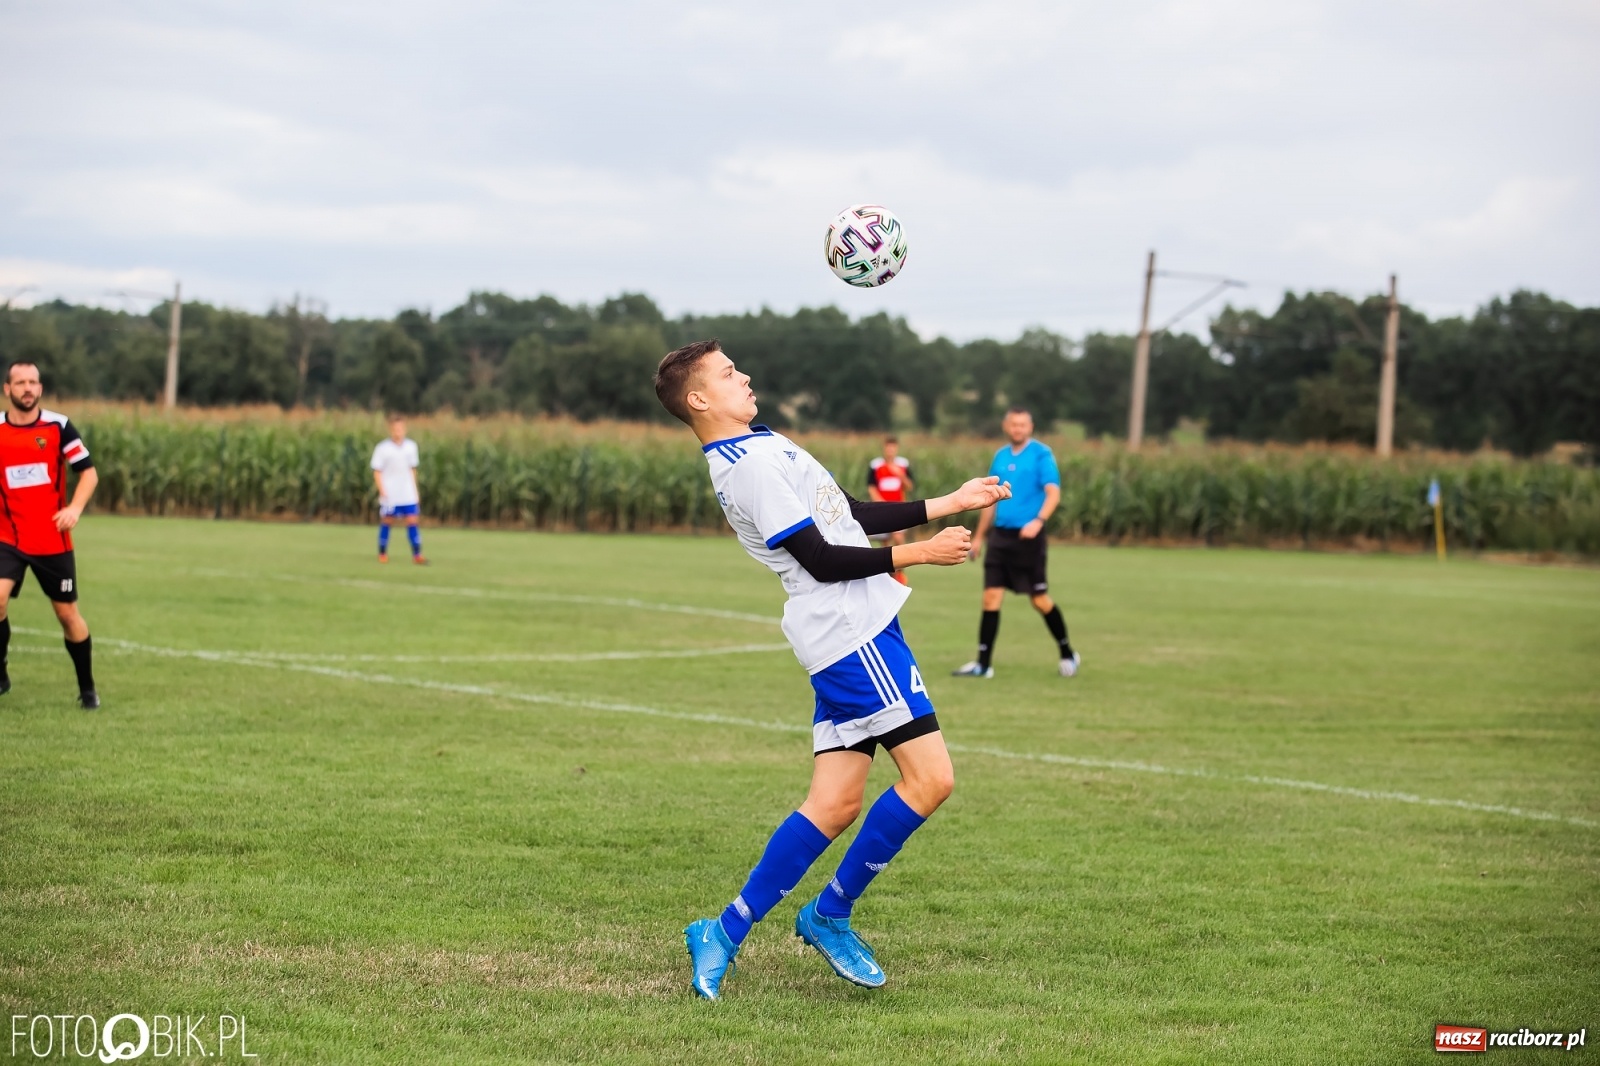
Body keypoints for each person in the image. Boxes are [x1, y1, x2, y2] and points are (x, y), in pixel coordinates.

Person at [655, 339, 1009, 1000]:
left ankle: (722, 930)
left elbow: (845, 514)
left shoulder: (761, 443)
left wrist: (946, 502)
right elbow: (820, 558)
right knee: (931, 780)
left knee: (836, 801)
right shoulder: (745, 467)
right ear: (699, 399)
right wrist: (919, 556)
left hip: (854, 630)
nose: (746, 376)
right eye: (730, 374)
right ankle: (829, 914)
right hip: (853, 633)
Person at [0, 362, 101, 709]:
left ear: (40, 389)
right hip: (7, 536)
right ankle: (0, 674)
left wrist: (74, 508)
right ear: (7, 389)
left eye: (33, 382)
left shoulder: (58, 427)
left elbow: (88, 473)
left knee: (67, 615)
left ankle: (87, 689)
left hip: (51, 539)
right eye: (20, 382)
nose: (27, 388)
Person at [952, 407, 1079, 679]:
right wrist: (980, 537)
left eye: (1022, 424)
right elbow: (989, 501)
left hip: (1028, 539)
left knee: (1039, 600)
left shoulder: (1042, 455)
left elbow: (1053, 493)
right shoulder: (1000, 456)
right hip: (1000, 538)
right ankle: (983, 665)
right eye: (1013, 424)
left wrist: (1039, 521)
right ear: (1006, 426)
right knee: (990, 598)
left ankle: (1068, 652)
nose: (1018, 429)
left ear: (1030, 427)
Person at [370, 414, 426, 564]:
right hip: (390, 493)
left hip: (407, 492)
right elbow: (377, 470)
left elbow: (412, 470)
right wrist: (382, 489)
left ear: (404, 429)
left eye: (400, 429)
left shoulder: (411, 446)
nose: (398, 431)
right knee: (387, 521)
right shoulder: (382, 448)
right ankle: (382, 553)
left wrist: (415, 491)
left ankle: (417, 554)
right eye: (395, 429)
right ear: (391, 430)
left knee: (412, 520)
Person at [867, 435, 915, 585]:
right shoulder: (876, 465)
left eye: (893, 448)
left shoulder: (903, 465)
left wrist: (900, 475)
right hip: (882, 509)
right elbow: (871, 486)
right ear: (884, 448)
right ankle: (889, 574)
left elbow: (909, 486)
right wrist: (878, 502)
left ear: (896, 449)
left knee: (899, 538)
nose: (890, 450)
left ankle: (900, 572)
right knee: (886, 543)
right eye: (888, 447)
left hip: (899, 509)